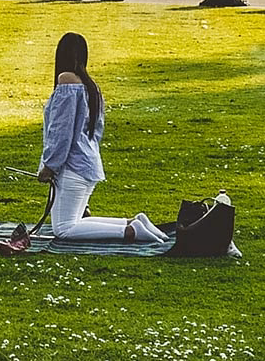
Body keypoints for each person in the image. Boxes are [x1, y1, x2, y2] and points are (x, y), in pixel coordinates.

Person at [36, 33, 167, 243]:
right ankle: (131, 222)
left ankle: (130, 232)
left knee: (63, 229)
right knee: (75, 220)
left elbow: (61, 130)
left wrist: (50, 165)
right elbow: (96, 130)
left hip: (72, 168)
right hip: (88, 163)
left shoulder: (66, 80)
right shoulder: (91, 87)